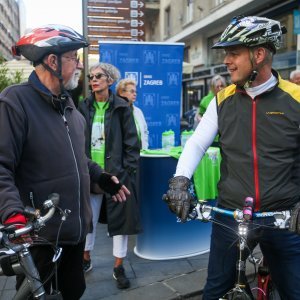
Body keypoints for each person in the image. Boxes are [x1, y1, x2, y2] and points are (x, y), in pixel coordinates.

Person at [163, 16, 300, 300]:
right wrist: (179, 180)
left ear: (259, 54)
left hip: (284, 216)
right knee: (214, 291)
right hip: (232, 214)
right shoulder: (222, 98)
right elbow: (197, 143)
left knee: (294, 291)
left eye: (234, 53)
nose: (226, 60)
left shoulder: (295, 98)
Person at [0, 25, 130, 300]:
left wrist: (101, 177)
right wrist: (12, 212)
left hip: (73, 235)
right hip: (40, 237)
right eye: (74, 56)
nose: (80, 64)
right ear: (52, 61)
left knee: (73, 292)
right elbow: (1, 166)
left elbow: (77, 159)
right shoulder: (16, 101)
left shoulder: (70, 107)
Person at [78, 63, 141, 289]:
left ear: (110, 80)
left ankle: (118, 265)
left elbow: (132, 144)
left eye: (99, 76)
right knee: (88, 219)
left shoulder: (122, 107)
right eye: (91, 77)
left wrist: (126, 172)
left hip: (116, 174)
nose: (93, 80)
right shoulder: (83, 106)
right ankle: (85, 259)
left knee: (120, 221)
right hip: (90, 174)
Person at [116, 78, 149, 149]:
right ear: (121, 92)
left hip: (140, 154)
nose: (135, 94)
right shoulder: (115, 111)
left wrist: (144, 146)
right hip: (123, 156)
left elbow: (145, 131)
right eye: (132, 91)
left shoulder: (138, 111)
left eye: (135, 92)